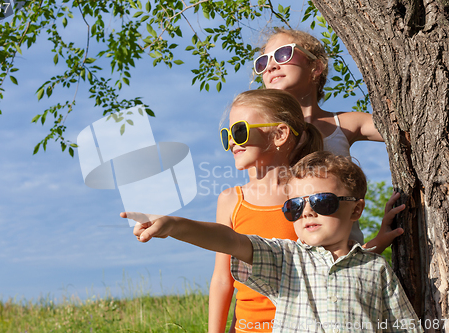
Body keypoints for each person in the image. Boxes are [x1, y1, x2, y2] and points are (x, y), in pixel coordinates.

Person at [123, 151, 420, 333]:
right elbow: (232, 240)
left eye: (322, 201)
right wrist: (175, 225)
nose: (307, 211)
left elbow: (405, 327)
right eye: (295, 206)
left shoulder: (377, 269)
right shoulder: (287, 259)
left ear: (356, 208)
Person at [253, 28, 403, 245]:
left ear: (316, 67)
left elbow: (409, 128)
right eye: (262, 62)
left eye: (283, 54)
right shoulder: (265, 135)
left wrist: (379, 240)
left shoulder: (346, 123)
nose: (271, 65)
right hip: (290, 263)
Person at [211, 89, 323, 332]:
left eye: (240, 131)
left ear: (280, 134)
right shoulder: (231, 200)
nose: (231, 141)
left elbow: (329, 259)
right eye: (227, 134)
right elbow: (222, 278)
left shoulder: (306, 195)